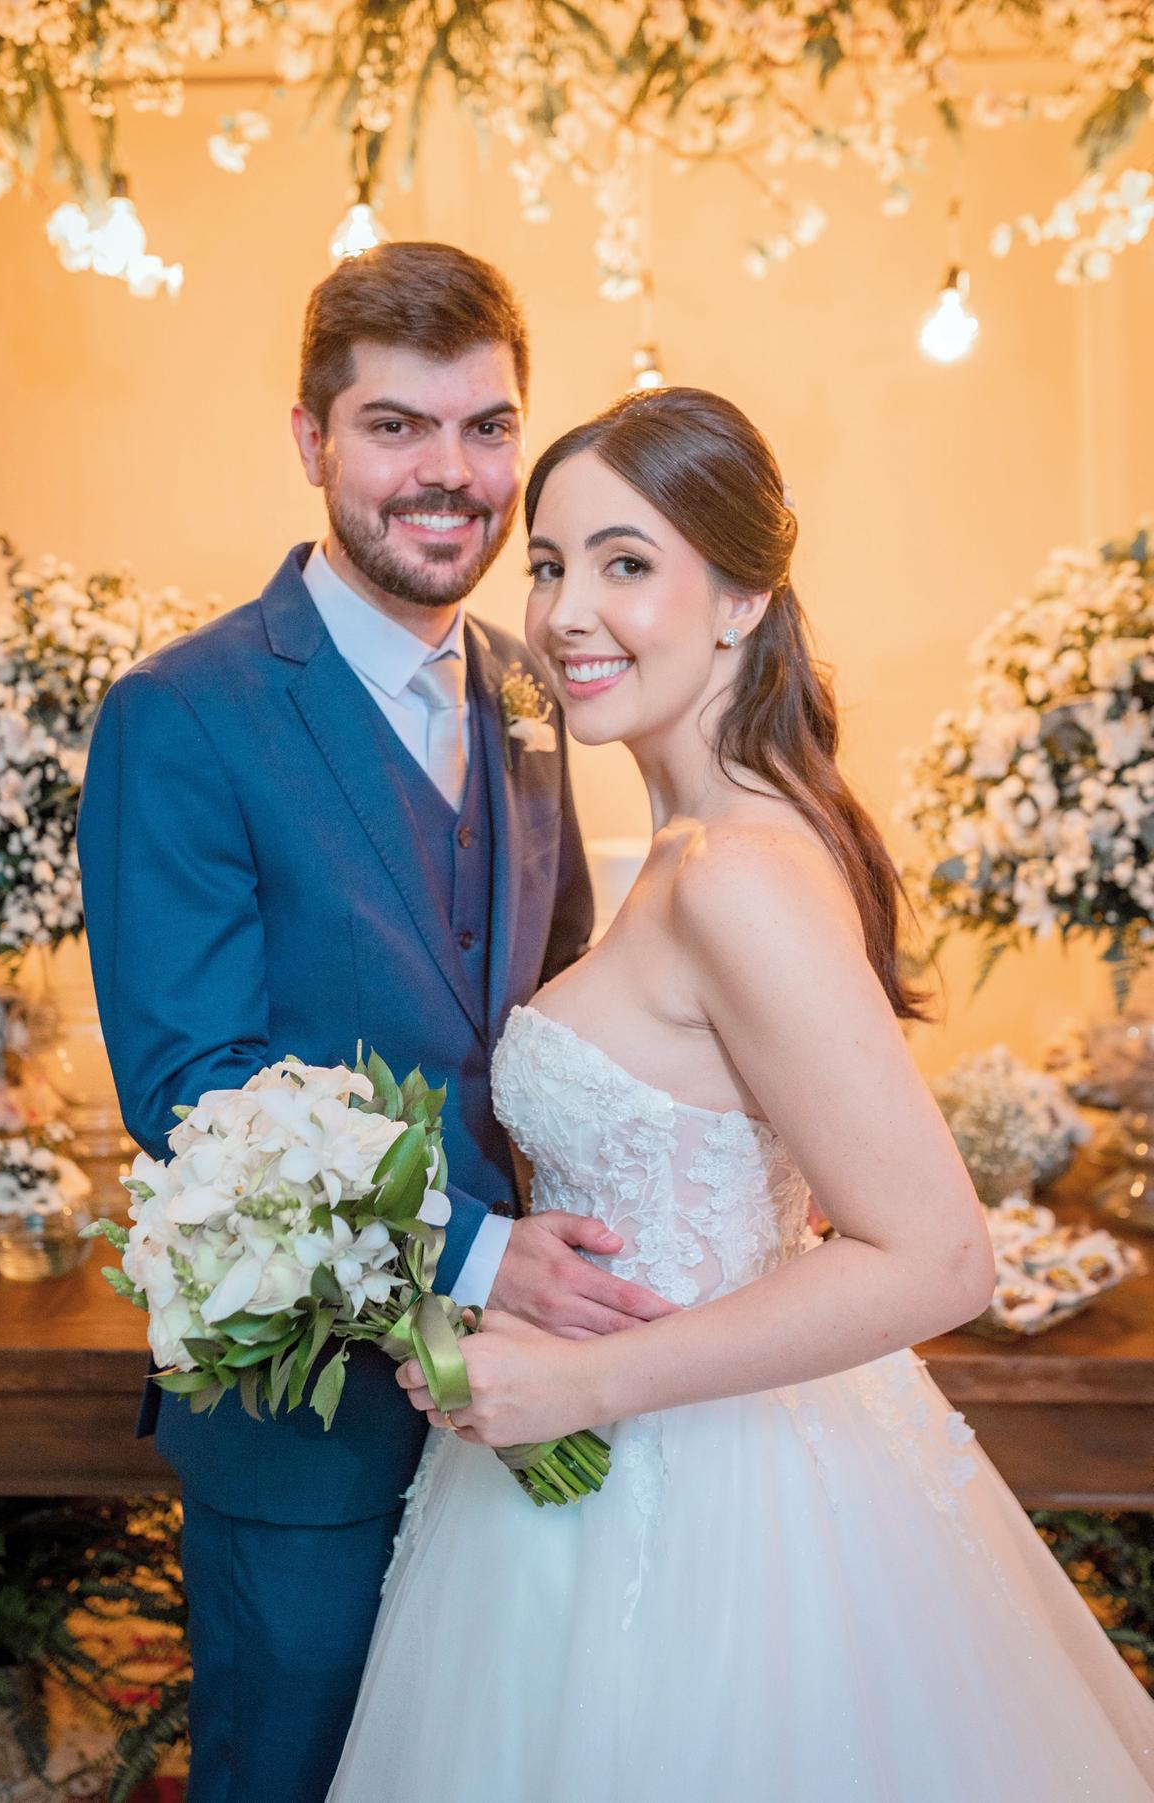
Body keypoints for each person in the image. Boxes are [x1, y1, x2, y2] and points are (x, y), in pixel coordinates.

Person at [328, 386, 1154, 1801]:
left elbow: (940, 1254)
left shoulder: (737, 877)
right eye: (550, 562)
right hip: (598, 1469)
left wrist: (581, 1377)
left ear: (743, 597)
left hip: (709, 1509)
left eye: (626, 563)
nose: (568, 610)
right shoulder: (698, 844)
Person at [76, 243, 675, 1803]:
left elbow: (549, 1024)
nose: (450, 476)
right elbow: (194, 1092)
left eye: (486, 430)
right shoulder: (182, 714)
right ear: (311, 441)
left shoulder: (538, 696)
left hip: (526, 1411)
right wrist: (476, 1258)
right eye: (397, 427)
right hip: (307, 1430)